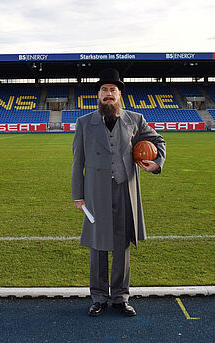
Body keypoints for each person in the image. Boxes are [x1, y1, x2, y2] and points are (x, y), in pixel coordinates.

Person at [71, 68, 166, 317]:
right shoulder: (84, 123)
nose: (108, 94)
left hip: (125, 189)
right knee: (98, 246)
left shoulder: (135, 119)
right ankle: (99, 297)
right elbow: (77, 161)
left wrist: (157, 163)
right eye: (104, 90)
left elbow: (158, 142)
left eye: (113, 90)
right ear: (98, 95)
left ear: (120, 94)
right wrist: (77, 196)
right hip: (95, 193)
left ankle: (121, 297)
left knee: (122, 245)